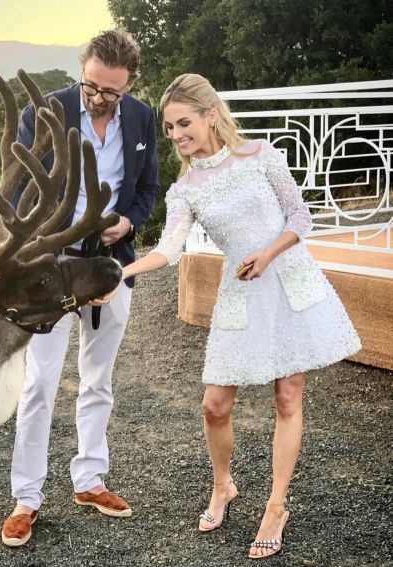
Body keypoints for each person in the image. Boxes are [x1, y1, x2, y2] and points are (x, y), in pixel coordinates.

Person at [121, 74, 361, 559]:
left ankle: (276, 506)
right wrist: (119, 273)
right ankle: (223, 485)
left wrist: (269, 253)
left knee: (287, 396)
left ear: (210, 115)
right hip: (240, 291)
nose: (176, 135)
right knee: (214, 404)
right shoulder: (185, 189)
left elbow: (300, 216)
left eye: (183, 123)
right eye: (168, 128)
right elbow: (168, 249)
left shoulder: (261, 155)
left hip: (288, 280)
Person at [1, 29, 159, 547]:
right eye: (91, 86)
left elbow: (148, 188)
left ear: (128, 84)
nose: (97, 98)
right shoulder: (45, 112)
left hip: (110, 265)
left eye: (110, 91)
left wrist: (129, 223)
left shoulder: (142, 118)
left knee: (99, 379)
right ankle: (26, 497)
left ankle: (89, 479)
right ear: (82, 70)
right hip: (50, 266)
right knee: (39, 383)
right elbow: (19, 189)